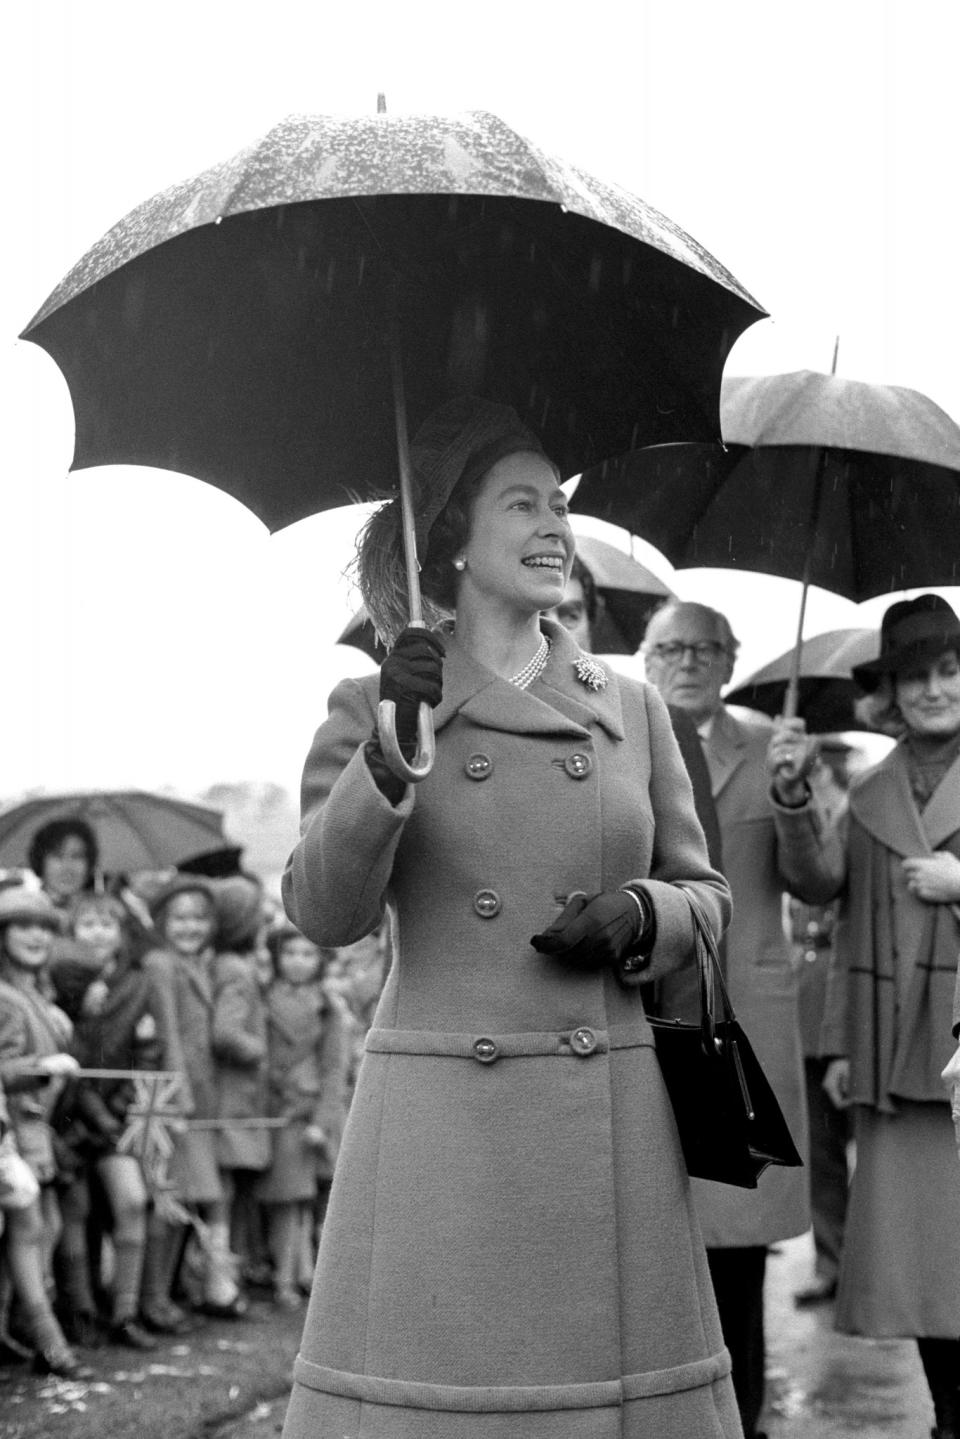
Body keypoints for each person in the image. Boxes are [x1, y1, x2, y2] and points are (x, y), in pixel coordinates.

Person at [281, 396, 739, 1439]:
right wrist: (391, 754)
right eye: (522, 503)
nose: (555, 527)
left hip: (609, 1113)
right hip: (447, 1127)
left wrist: (642, 910)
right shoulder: (375, 703)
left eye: (561, 505)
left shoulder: (629, 704)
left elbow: (706, 895)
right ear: (451, 539)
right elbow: (322, 910)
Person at [642, 600, 837, 1439]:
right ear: (645, 658)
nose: (688, 660)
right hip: (646, 1010)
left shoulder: (773, 747)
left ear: (730, 661)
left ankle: (741, 1418)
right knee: (648, 1229)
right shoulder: (618, 738)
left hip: (743, 1016)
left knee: (736, 1241)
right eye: (671, 646)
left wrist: (794, 796)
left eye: (705, 648)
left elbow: (819, 880)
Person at [817, 595, 960, 1439]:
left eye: (949, 670)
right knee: (922, 1266)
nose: (935, 689)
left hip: (956, 1044)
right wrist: (798, 799)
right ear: (892, 693)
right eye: (916, 676)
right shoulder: (867, 789)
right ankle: (949, 1415)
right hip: (893, 1046)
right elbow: (838, 914)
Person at [49, 892, 172, 1351]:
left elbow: (146, 1054)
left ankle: (125, 1311)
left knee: (133, 1200)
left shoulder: (137, 984)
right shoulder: (57, 983)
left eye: (107, 923)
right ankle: (81, 1310)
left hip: (115, 1119)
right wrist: (83, 1007)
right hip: (67, 1118)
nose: (98, 932)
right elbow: (69, 1068)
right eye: (87, 924)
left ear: (122, 934)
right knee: (75, 1211)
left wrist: (116, 1112)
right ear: (71, 932)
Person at [0, 887, 91, 1378]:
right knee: (31, 1228)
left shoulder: (37, 995)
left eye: (44, 927)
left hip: (38, 1131)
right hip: (12, 1130)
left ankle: (20, 1332)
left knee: (45, 1227)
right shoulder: (4, 996)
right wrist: (41, 1065)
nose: (36, 936)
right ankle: (48, 1339)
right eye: (22, 925)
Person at [787, 741, 853, 1309]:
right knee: (823, 1153)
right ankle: (832, 1262)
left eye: (814, 776)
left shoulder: (857, 819)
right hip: (807, 1005)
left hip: (855, 996)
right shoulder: (809, 826)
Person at [257, 925, 348, 1309]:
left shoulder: (328, 1006)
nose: (297, 962)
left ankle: (296, 1277)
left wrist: (322, 1122)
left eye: (308, 954)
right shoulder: (263, 998)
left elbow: (333, 1069)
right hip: (274, 1107)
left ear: (321, 961)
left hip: (308, 1110)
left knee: (303, 1199)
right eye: (290, 953)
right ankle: (286, 1275)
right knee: (284, 1198)